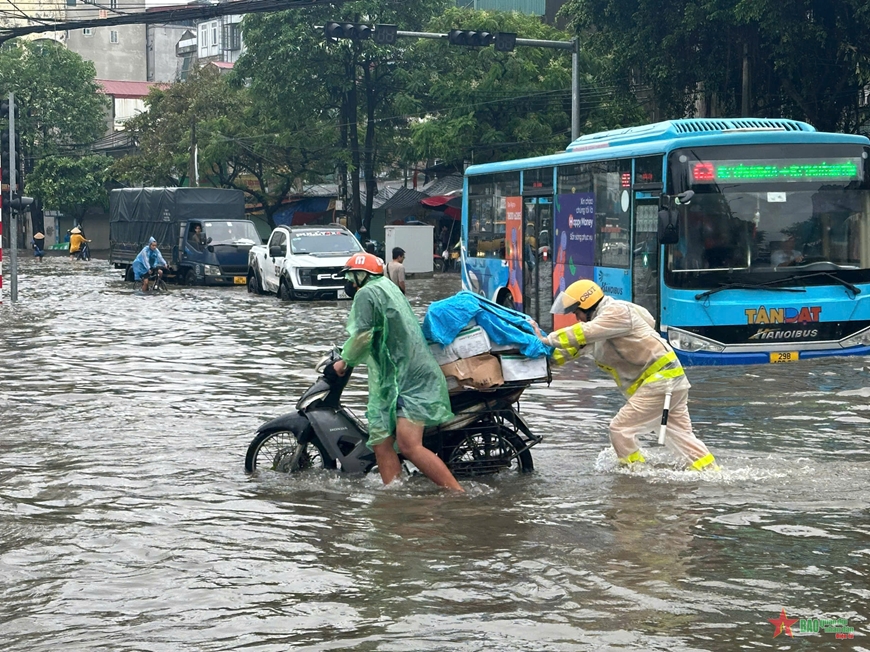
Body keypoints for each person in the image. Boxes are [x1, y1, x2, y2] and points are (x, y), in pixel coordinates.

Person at [532, 279, 719, 472]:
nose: (576, 317)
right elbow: (571, 349)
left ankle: (636, 474)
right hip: (671, 382)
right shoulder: (603, 327)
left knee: (620, 429)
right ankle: (711, 475)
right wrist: (539, 358)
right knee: (683, 437)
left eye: (576, 311)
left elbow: (583, 333)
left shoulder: (615, 312)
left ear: (586, 303)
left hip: (661, 382)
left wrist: (547, 339)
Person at [331, 252, 464, 492]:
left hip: (409, 377)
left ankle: (457, 494)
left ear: (361, 276)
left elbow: (362, 335)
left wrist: (344, 361)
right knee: (381, 442)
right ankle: (395, 497)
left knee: (409, 445)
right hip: (399, 374)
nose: (349, 282)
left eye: (351, 276)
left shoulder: (366, 292)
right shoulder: (386, 286)